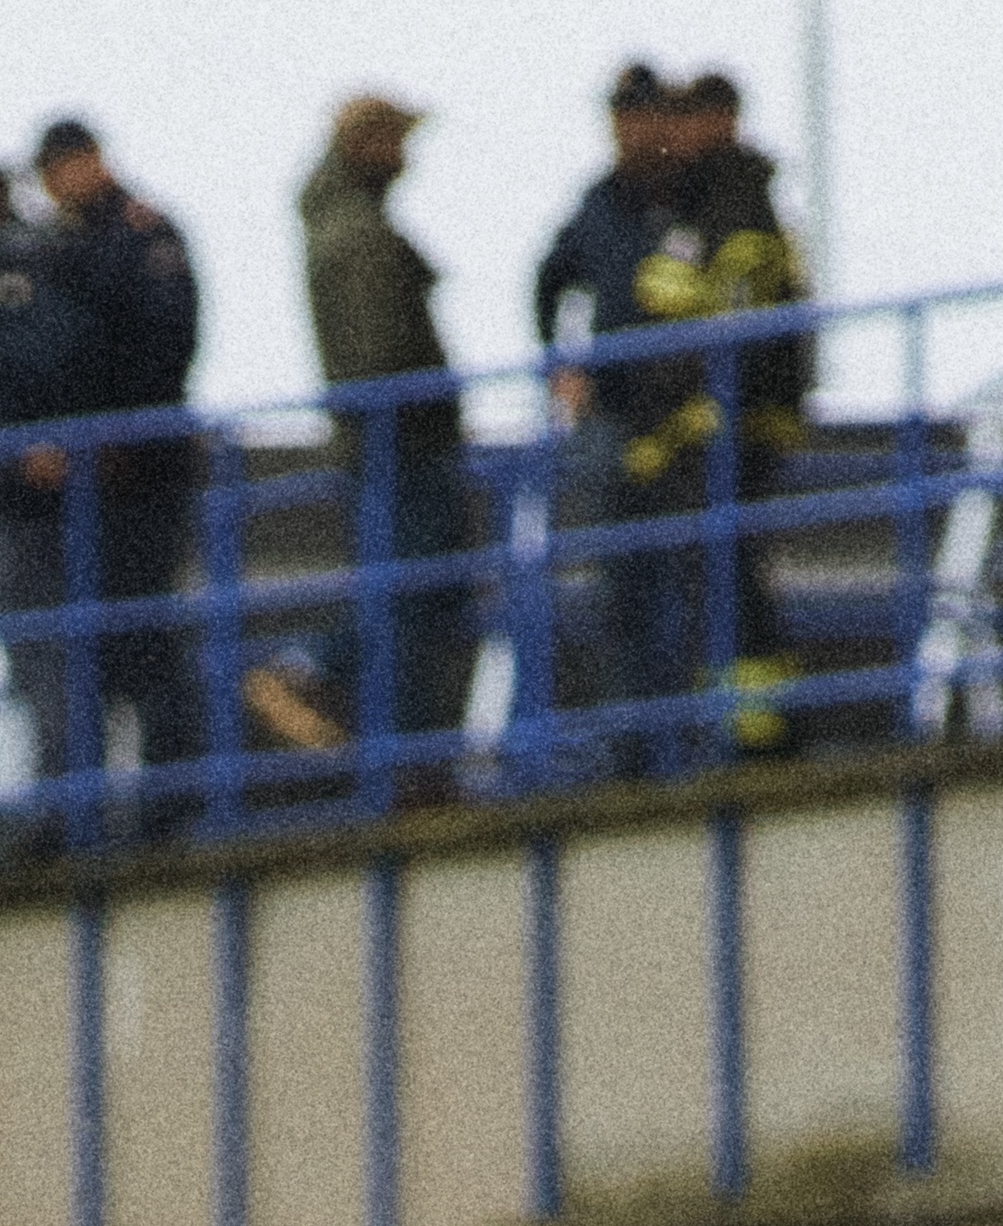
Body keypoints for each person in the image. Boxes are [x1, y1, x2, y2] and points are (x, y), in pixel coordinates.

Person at [535, 64, 808, 772]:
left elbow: (736, 320)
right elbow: (553, 279)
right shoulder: (622, 203)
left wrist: (705, 414)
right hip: (648, 431)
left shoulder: (727, 204)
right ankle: (667, 739)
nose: (661, 131)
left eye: (670, 117)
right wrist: (561, 367)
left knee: (712, 575)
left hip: (707, 432)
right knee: (647, 589)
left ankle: (746, 734)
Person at [256, 93, 468, 782]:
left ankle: (397, 748)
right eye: (395, 138)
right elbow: (379, 352)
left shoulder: (344, 223)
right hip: (400, 442)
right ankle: (392, 747)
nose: (404, 155)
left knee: (410, 593)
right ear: (366, 142)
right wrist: (424, 405)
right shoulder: (360, 234)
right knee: (414, 594)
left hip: (388, 441)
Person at [26, 120, 207, 808]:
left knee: (145, 636)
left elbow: (164, 345)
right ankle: (118, 801)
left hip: (142, 471)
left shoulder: (140, 234)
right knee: (100, 647)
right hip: (89, 481)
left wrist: (117, 440)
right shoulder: (67, 243)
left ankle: (171, 797)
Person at [0, 161, 88, 819]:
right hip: (14, 489)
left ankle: (60, 802)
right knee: (40, 648)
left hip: (24, 497)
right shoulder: (19, 264)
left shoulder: (13, 269)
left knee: (37, 649)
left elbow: (43, 353)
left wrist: (38, 440)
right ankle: (61, 795)